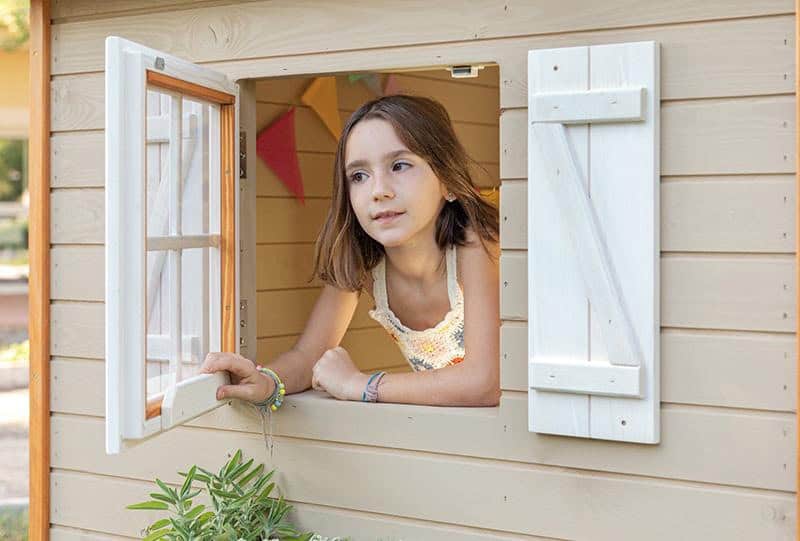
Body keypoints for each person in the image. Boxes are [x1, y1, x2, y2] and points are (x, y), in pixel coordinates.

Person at [201, 94, 500, 409]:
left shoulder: (478, 243)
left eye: (399, 165)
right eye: (359, 176)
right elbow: (308, 357)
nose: (378, 190)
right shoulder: (364, 262)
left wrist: (360, 385)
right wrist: (266, 381)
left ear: (447, 180)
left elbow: (485, 382)